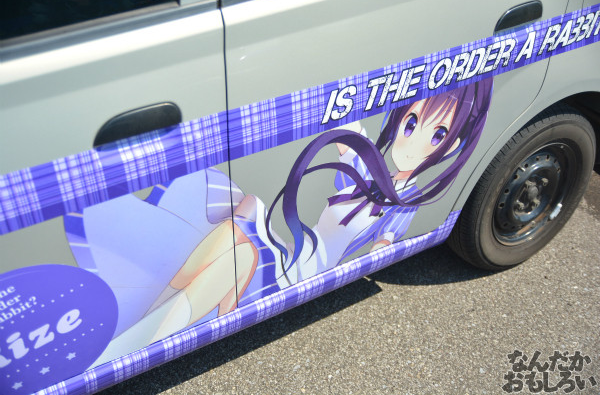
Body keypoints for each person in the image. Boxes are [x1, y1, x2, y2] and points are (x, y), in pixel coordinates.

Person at [65, 78, 493, 361]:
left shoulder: (404, 205)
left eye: (439, 135)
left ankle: (149, 336)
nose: (413, 141)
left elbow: (381, 251)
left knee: (239, 244)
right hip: (296, 252)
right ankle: (150, 327)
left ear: (453, 147)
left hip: (306, 271)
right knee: (242, 220)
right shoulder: (365, 165)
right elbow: (343, 112)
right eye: (412, 121)